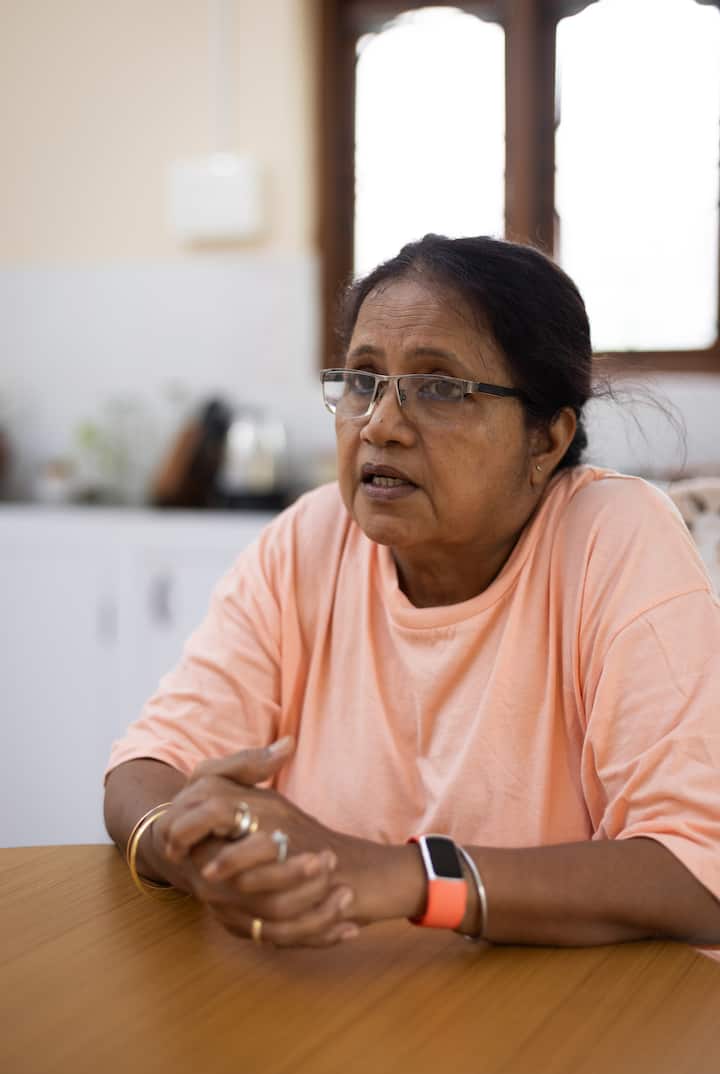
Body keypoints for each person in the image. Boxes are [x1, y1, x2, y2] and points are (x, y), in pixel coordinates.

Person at [104, 235, 720, 954]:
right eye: (362, 381)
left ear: (546, 441)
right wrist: (187, 846)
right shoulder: (311, 538)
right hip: (338, 989)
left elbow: (696, 874)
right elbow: (145, 767)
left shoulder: (611, 535)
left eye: (440, 388)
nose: (381, 425)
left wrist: (412, 878)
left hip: (557, 1007)